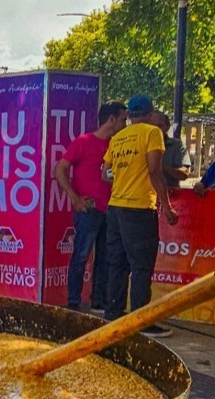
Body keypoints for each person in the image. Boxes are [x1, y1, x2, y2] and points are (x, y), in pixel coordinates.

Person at [102, 94, 179, 338]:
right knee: (142, 266)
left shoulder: (118, 138)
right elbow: (154, 169)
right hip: (139, 207)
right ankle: (141, 321)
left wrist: (124, 177)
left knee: (117, 262)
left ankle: (113, 313)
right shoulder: (152, 133)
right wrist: (166, 206)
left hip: (115, 206)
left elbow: (105, 174)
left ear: (130, 115)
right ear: (150, 112)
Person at [54, 100, 128, 312]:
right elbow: (60, 170)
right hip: (89, 208)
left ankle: (99, 301)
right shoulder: (84, 142)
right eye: (123, 119)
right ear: (111, 119)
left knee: (106, 257)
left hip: (112, 209)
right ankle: (73, 302)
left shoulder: (118, 144)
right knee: (81, 255)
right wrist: (74, 198)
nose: (126, 124)